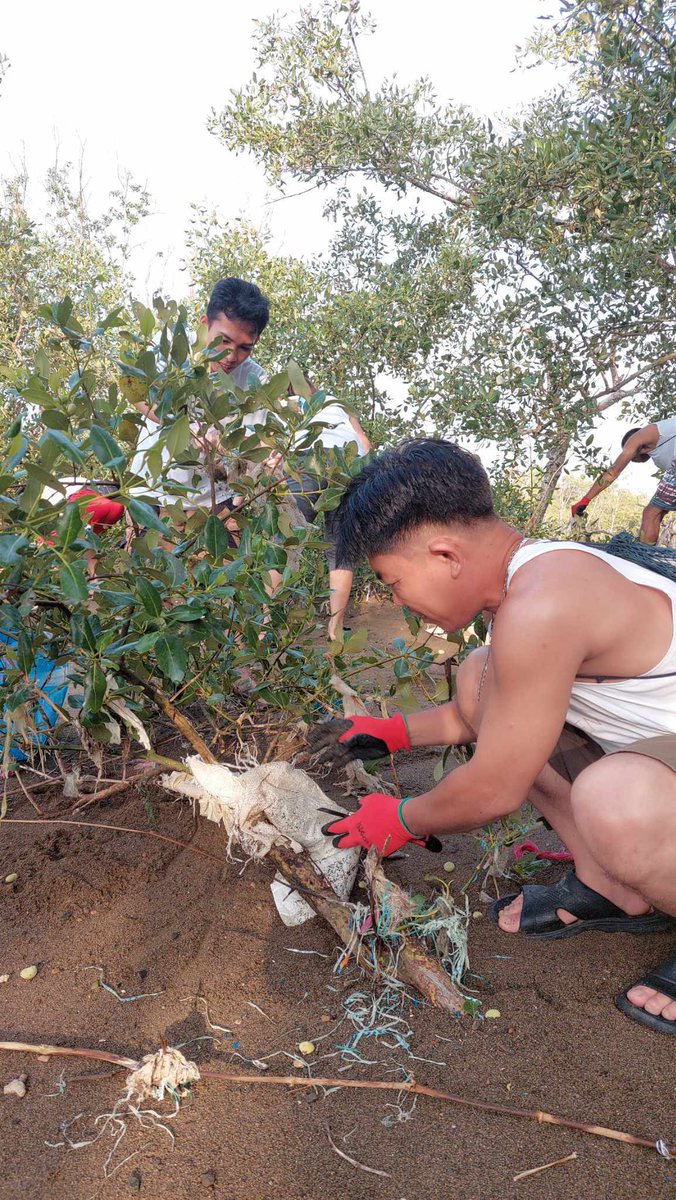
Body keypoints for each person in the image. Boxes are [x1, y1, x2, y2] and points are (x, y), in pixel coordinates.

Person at [310, 439, 676, 1035]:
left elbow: (497, 787)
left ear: (445, 553)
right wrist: (390, 732)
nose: (398, 600)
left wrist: (402, 817)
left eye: (393, 581)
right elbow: (484, 712)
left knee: (617, 800)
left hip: (652, 765)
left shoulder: (544, 601)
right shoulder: (524, 583)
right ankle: (611, 887)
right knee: (482, 673)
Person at [128, 277, 270, 515]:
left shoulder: (255, 379)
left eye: (245, 347)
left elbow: (255, 445)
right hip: (151, 493)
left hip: (214, 501)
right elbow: (137, 391)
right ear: (204, 324)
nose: (231, 356)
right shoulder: (174, 350)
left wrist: (228, 450)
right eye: (224, 341)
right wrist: (182, 426)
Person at [285, 379, 371, 640]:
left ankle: (265, 621)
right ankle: (336, 627)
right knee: (341, 548)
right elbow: (365, 444)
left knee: (284, 541)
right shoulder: (339, 404)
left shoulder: (288, 404)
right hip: (347, 462)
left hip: (307, 460)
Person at [571, 417, 676, 544]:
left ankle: (643, 559)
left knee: (651, 513)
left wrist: (585, 500)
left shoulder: (640, 436)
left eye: (631, 457)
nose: (632, 459)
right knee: (659, 510)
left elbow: (612, 472)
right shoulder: (661, 453)